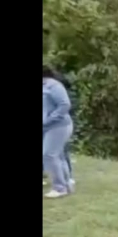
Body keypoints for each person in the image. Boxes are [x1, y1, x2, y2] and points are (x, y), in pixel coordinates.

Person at [43, 66, 75, 198]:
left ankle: (60, 187)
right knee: (58, 156)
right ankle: (66, 185)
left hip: (59, 126)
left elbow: (64, 105)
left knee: (49, 155)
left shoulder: (53, 86)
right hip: (48, 127)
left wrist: (50, 119)